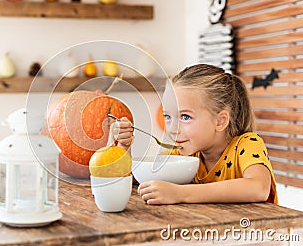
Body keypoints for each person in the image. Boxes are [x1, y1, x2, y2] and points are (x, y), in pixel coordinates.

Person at [113, 64, 278, 205]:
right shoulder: (182, 153)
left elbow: (258, 188)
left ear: (220, 121)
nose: (172, 128)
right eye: (168, 117)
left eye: (185, 117)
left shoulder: (247, 144)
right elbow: (137, 180)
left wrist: (180, 193)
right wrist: (124, 147)